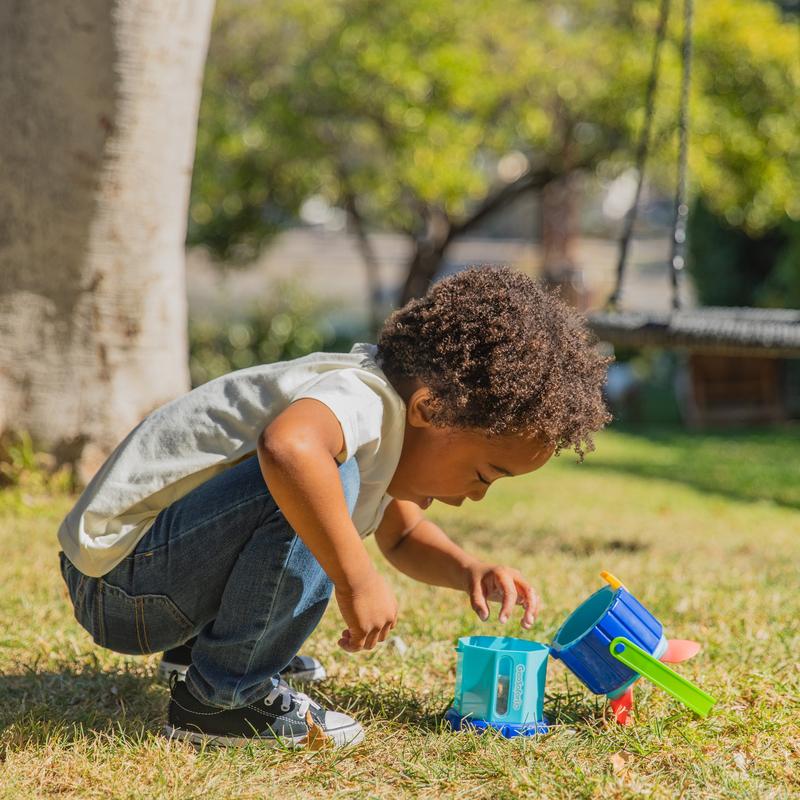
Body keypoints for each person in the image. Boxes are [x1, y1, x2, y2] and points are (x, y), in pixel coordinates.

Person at [57, 266, 610, 748]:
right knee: (319, 477)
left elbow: (401, 536)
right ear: (429, 409)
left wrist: (469, 568)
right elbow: (288, 449)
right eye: (485, 473)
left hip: (148, 581)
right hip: (122, 584)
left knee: (327, 483)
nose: (478, 494)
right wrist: (356, 578)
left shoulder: (384, 433)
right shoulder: (360, 398)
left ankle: (212, 652)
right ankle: (224, 696)